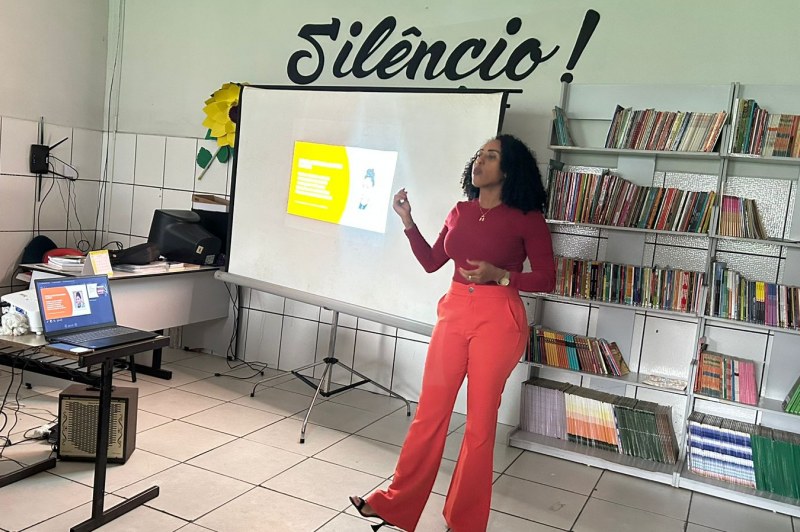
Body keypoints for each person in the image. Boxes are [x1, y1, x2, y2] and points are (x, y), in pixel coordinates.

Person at [349, 134, 556, 532]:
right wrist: (408, 222)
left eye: (491, 156)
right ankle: (395, 504)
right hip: (455, 310)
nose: (480, 162)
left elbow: (547, 278)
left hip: (499, 317)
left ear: (509, 169)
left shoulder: (527, 218)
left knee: (479, 424)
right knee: (429, 413)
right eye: (479, 155)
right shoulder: (460, 211)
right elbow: (432, 261)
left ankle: (465, 522)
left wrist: (502, 276)